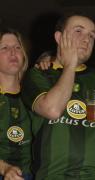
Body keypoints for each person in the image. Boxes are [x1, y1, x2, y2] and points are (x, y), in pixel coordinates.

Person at [21, 13, 95, 180]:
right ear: (59, 37)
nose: (87, 39)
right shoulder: (38, 74)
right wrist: (70, 64)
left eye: (91, 35)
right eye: (79, 31)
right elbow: (52, 110)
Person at [0, 28, 34, 180]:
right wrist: (4, 168)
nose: (13, 52)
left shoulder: (35, 95)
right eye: (4, 48)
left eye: (17, 47)